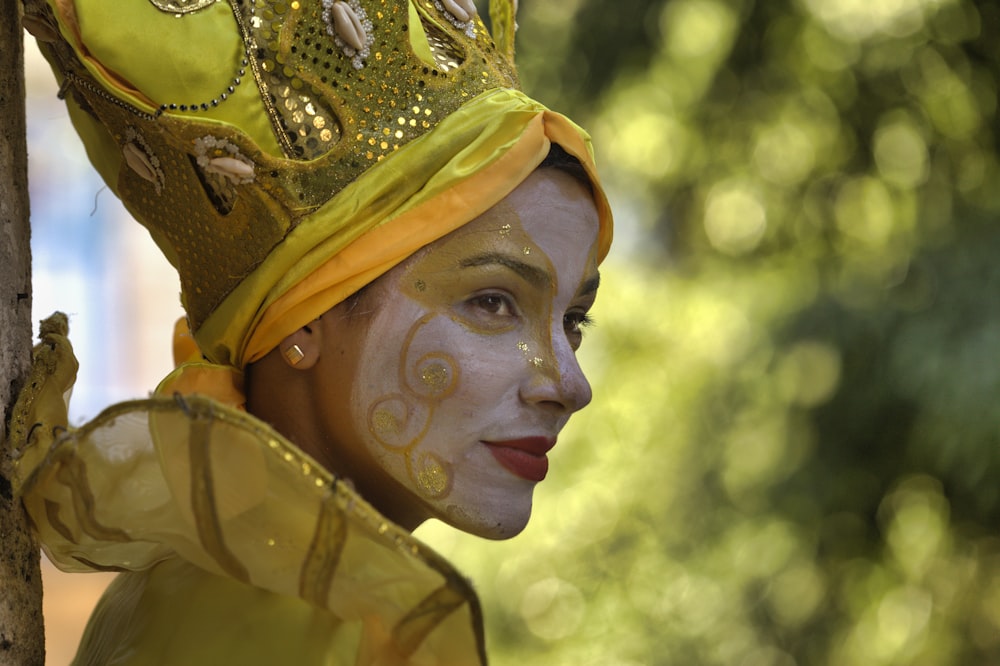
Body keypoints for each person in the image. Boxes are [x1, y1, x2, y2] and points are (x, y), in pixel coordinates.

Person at [11, 0, 612, 663]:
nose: (570, 384)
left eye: (573, 320)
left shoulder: (250, 590)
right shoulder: (272, 627)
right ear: (304, 321)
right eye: (493, 302)